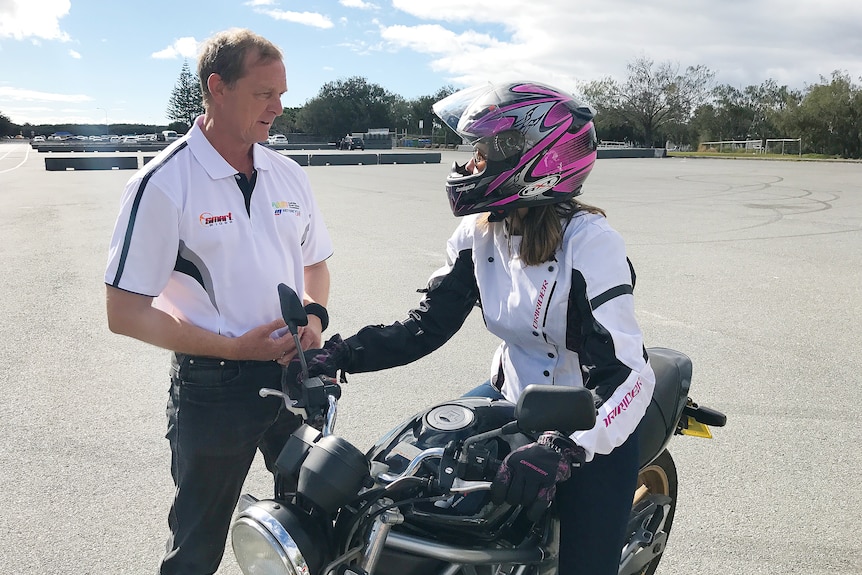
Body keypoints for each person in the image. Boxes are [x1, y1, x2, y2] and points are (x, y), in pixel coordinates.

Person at [289, 81, 656, 575]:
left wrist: (565, 447)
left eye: (484, 153)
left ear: (535, 159)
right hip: (508, 396)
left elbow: (629, 374)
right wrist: (341, 354)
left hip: (587, 416)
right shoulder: (478, 233)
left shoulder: (591, 244)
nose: (470, 165)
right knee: (402, 487)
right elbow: (426, 327)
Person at [104, 28, 333, 574]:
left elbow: (316, 264)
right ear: (218, 87)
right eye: (264, 94)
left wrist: (316, 318)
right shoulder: (163, 183)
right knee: (197, 549)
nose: (279, 108)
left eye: (282, 94)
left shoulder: (288, 174)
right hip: (212, 390)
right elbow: (124, 312)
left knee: (318, 532)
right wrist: (232, 347)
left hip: (295, 377)